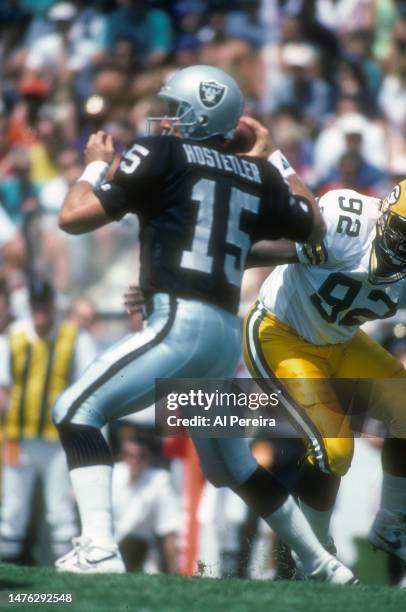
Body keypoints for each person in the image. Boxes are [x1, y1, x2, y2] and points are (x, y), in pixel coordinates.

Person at [51, 64, 354, 583]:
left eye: (175, 108)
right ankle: (322, 563)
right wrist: (272, 159)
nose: (166, 118)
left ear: (196, 113)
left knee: (76, 408)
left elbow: (73, 217)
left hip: (180, 324)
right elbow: (314, 223)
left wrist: (94, 168)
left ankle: (97, 546)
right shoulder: (256, 174)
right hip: (221, 334)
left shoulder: (162, 151)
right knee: (231, 466)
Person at [243, 145, 406, 569]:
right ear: (385, 214)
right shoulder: (346, 222)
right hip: (282, 333)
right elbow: (259, 250)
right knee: (335, 449)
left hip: (340, 341)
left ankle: (392, 524)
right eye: (403, 233)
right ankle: (313, 557)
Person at [0, 276, 98, 563]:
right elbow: (2, 390)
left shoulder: (75, 337)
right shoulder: (13, 337)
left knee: (60, 511)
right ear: (30, 306)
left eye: (45, 304)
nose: (41, 311)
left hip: (58, 441)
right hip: (19, 437)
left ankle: (62, 579)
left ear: (53, 305)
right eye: (36, 304)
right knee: (13, 510)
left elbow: (89, 388)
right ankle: (6, 574)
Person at [112, 437, 179, 573]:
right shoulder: (111, 474)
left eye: (140, 456)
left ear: (148, 457)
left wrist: (174, 573)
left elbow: (169, 528)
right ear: (122, 456)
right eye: (128, 455)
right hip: (109, 544)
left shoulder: (160, 480)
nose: (134, 461)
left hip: (142, 548)